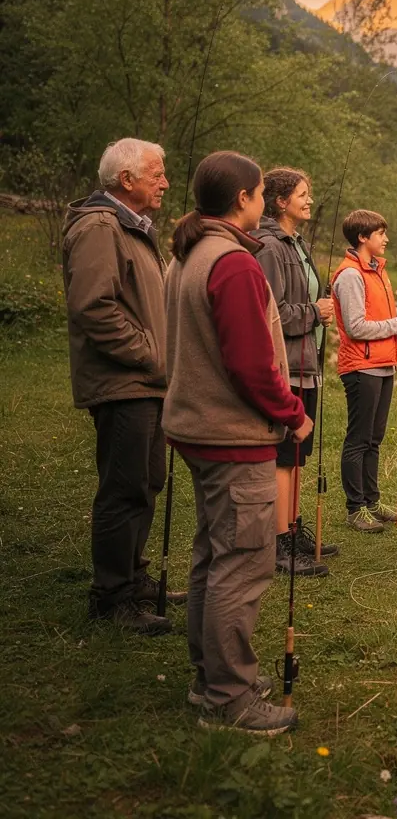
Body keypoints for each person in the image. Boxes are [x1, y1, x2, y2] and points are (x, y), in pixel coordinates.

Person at [164, 150, 312, 736]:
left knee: (213, 554)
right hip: (231, 435)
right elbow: (252, 366)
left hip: (196, 428)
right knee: (244, 564)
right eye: (258, 192)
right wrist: (293, 414)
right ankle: (229, 698)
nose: (261, 201)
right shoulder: (233, 264)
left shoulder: (188, 253)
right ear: (244, 199)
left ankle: (210, 679)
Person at [62, 137, 185, 635]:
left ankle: (133, 580)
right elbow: (93, 308)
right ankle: (111, 598)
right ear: (126, 179)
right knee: (123, 488)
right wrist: (152, 355)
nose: (166, 182)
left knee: (146, 481)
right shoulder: (99, 227)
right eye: (157, 174)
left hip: (144, 383)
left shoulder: (131, 226)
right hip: (124, 382)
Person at [252, 168, 337, 578]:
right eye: (303, 194)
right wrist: (315, 312)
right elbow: (271, 313)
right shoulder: (270, 246)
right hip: (286, 366)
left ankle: (292, 528)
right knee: (284, 457)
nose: (309, 200)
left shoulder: (297, 243)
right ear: (280, 201)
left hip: (306, 365)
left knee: (298, 454)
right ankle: (278, 543)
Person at [330, 210, 397, 533]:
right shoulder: (350, 275)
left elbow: (379, 322)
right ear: (362, 237)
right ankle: (355, 509)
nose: (386, 239)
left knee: (374, 439)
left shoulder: (377, 271)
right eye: (380, 233)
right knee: (358, 439)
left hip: (383, 367)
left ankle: (371, 502)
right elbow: (356, 327)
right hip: (361, 367)